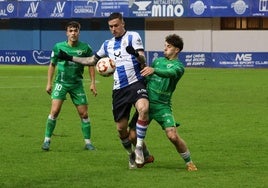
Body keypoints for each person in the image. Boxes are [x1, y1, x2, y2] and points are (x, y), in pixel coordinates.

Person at [57, 13, 153, 169]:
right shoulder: (107, 44)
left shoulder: (133, 37)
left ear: (123, 24)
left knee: (144, 108)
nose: (113, 29)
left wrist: (135, 54)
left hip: (136, 83)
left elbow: (142, 59)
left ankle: (140, 148)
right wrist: (69, 58)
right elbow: (91, 61)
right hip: (119, 89)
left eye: (116, 25)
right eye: (111, 26)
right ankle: (130, 155)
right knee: (121, 130)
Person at [131, 34, 197, 171]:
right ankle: (147, 156)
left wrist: (154, 70)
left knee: (173, 136)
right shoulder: (158, 61)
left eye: (169, 46)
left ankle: (189, 162)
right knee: (132, 135)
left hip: (162, 106)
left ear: (177, 50)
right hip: (147, 104)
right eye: (165, 46)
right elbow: (147, 77)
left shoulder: (179, 67)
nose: (165, 49)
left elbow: (170, 73)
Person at [41, 21, 97, 151]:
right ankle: (47, 141)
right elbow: (52, 64)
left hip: (77, 84)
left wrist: (93, 83)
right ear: (67, 32)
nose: (73, 33)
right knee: (54, 111)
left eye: (75, 31)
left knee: (84, 114)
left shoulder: (85, 48)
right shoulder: (58, 47)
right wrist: (49, 82)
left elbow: (90, 65)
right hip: (61, 83)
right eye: (70, 31)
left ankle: (88, 143)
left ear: (79, 32)